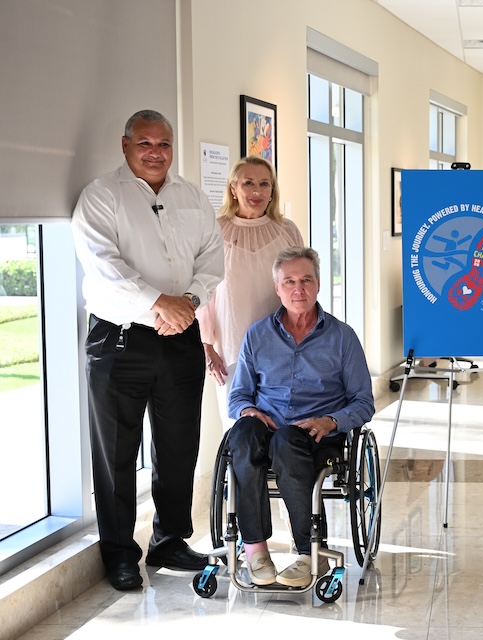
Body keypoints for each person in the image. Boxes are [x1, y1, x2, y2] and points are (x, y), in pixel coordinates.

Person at [72, 110, 224, 590]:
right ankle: (119, 553)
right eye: (145, 143)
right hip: (120, 339)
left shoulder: (191, 196)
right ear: (125, 146)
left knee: (179, 444)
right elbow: (103, 266)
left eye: (163, 143)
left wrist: (189, 303)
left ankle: (170, 541)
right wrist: (159, 302)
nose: (155, 152)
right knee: (117, 451)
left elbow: (212, 257)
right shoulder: (101, 196)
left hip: (180, 336)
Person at [226, 246, 374, 587]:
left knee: (287, 442)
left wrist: (332, 421)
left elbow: (364, 401)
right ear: (277, 288)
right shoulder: (258, 336)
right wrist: (248, 410)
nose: (299, 289)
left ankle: (309, 552)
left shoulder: (342, 337)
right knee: (243, 437)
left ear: (319, 284)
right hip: (265, 425)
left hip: (315, 434)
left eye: (306, 280)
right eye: (289, 281)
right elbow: (239, 395)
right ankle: (256, 549)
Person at [196, 156, 303, 427]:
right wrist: (206, 345)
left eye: (264, 184)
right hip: (232, 345)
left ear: (272, 191)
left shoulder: (287, 230)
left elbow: (303, 284)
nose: (256, 191)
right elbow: (203, 291)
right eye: (248, 183)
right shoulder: (214, 230)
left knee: (283, 424)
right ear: (233, 188)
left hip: (284, 343)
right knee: (240, 427)